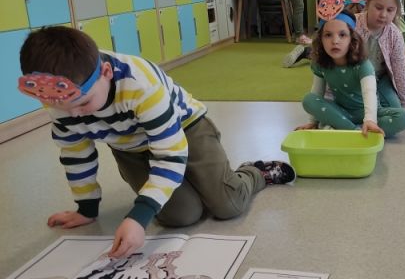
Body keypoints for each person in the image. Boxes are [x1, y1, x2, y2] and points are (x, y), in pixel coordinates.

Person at [17, 27, 295, 259]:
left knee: (228, 205)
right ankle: (197, 185)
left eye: (84, 103)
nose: (75, 114)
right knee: (181, 215)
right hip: (131, 149)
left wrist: (139, 217)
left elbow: (170, 154)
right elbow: (76, 155)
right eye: (64, 109)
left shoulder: (140, 84)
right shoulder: (61, 102)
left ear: (106, 72)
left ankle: (255, 172)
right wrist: (86, 209)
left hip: (186, 129)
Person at [298, 0, 405, 137]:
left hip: (370, 113)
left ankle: (342, 127)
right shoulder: (320, 64)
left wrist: (370, 120)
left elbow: (370, 93)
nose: (335, 41)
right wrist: (312, 122)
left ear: (352, 39)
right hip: (342, 111)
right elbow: (317, 93)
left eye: (342, 35)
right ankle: (355, 131)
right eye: (328, 35)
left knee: (404, 117)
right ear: (320, 40)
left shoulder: (363, 65)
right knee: (308, 100)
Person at [355, 0, 405, 111]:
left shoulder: (395, 34)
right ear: (368, 3)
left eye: (390, 10)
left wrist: (404, 104)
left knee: (395, 109)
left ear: (396, 11)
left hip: (381, 78)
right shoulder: (352, 25)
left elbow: (400, 71)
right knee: (359, 105)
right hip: (354, 79)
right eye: (378, 8)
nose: (383, 15)